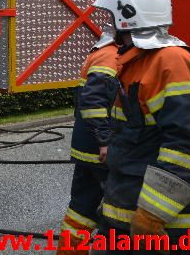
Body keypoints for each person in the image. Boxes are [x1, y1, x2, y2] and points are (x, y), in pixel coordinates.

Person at [92, 0, 190, 253]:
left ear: (128, 17)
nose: (109, 24)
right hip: (128, 208)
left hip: (167, 228)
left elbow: (185, 147)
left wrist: (152, 215)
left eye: (112, 16)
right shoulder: (136, 62)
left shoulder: (170, 62)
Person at [57, 26, 119, 255]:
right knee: (117, 211)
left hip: (87, 149)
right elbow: (94, 100)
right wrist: (105, 140)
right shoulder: (112, 55)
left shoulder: (102, 50)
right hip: (101, 151)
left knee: (81, 210)